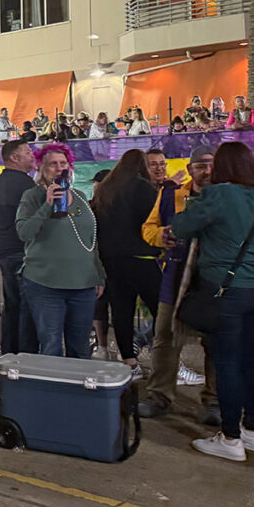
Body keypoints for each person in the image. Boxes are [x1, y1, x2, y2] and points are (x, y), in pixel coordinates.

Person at [171, 142, 254, 461]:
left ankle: (230, 438)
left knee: (227, 363)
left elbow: (181, 227)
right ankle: (253, 431)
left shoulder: (217, 195)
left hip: (225, 288)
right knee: (248, 362)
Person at [137, 146, 219, 423]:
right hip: (174, 278)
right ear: (190, 168)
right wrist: (161, 236)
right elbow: (148, 228)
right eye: (200, 166)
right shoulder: (171, 194)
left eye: (210, 165)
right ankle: (160, 395)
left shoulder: (226, 196)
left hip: (214, 280)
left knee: (216, 341)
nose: (206, 171)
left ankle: (215, 401)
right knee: (164, 339)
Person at [15, 143, 104, 358]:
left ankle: (76, 390)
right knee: (51, 344)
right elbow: (24, 233)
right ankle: (51, 389)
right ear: (41, 168)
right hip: (45, 285)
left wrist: (99, 274)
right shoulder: (32, 196)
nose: (58, 168)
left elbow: (91, 240)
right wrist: (47, 206)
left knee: (80, 346)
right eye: (52, 164)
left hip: (83, 284)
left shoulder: (81, 196)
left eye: (63, 163)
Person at [92, 150, 160, 375]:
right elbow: (153, 220)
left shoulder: (105, 190)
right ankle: (165, 362)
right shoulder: (142, 188)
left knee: (121, 311)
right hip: (141, 258)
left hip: (111, 260)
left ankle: (129, 362)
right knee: (160, 310)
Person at [0, 140, 39, 355]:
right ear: (14, 158)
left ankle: (9, 353)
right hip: (23, 251)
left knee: (12, 306)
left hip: (4, 249)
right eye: (27, 152)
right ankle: (26, 357)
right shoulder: (26, 186)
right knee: (27, 308)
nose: (32, 155)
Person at [89, 169, 113, 358]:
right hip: (104, 263)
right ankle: (103, 347)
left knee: (101, 308)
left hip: (103, 263)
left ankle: (103, 347)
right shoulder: (92, 207)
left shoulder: (93, 208)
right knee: (101, 308)